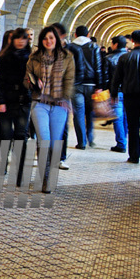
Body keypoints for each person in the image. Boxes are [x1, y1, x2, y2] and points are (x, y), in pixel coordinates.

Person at [25, 26, 75, 193]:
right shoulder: (34, 58)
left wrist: (65, 99)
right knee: (44, 140)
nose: (48, 41)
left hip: (59, 105)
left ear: (57, 40)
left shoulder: (67, 57)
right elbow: (26, 79)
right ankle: (45, 179)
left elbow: (69, 79)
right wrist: (33, 82)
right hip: (39, 103)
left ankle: (50, 176)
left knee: (54, 143)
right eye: (45, 38)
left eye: (51, 38)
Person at [110, 30, 140, 163]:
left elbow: (117, 78)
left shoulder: (124, 58)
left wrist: (114, 93)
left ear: (132, 41)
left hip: (130, 96)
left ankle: (134, 156)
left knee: (133, 126)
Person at [0, 28, 31, 181]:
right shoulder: (3, 58)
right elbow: (0, 81)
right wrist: (0, 101)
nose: (21, 41)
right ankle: (4, 162)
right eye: (18, 38)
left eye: (24, 38)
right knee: (5, 133)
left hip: (23, 100)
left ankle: (20, 171)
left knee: (21, 135)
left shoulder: (31, 58)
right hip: (6, 99)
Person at [51, 22, 85, 169]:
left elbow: (80, 72)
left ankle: (60, 157)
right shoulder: (45, 51)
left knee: (61, 125)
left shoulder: (74, 51)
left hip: (63, 94)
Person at [71, 25, 104, 149]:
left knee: (78, 113)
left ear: (75, 35)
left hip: (75, 85)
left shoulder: (70, 47)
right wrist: (99, 85)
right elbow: (98, 67)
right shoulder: (94, 46)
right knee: (90, 112)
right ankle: (90, 138)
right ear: (88, 35)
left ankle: (81, 142)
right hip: (91, 84)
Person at [105, 35, 128, 153]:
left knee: (117, 118)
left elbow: (106, 77)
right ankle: (124, 140)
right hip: (129, 92)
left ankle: (121, 143)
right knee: (125, 117)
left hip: (115, 92)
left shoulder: (109, 58)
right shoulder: (130, 57)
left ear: (116, 44)